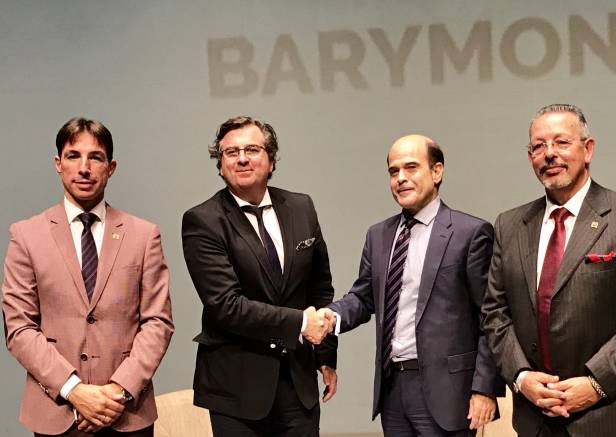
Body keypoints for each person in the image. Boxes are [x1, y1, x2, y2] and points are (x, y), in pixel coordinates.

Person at [482, 104, 616, 437]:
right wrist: (522, 378)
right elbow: (495, 314)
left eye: (561, 142)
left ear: (588, 149)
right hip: (536, 419)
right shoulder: (509, 225)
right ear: (530, 157)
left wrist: (596, 384)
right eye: (538, 146)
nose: (549, 154)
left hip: (613, 416)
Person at [318, 134, 504, 436]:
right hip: (393, 389)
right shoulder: (378, 235)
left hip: (449, 392)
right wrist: (331, 317)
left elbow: (491, 316)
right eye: (393, 171)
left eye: (411, 167)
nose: (400, 178)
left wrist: (485, 388)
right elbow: (363, 298)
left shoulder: (470, 233)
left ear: (437, 171)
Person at [2, 117, 174, 436]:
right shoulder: (26, 236)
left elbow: (158, 322)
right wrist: (74, 390)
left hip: (126, 412)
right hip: (56, 412)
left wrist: (118, 391)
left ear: (111, 167)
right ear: (58, 164)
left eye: (95, 157)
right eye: (73, 156)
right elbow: (20, 327)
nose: (84, 168)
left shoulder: (143, 235)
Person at [181, 116, 337, 437]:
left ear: (271, 160)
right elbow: (225, 305)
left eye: (252, 149)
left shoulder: (301, 207)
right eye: (231, 152)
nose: (242, 158)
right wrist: (300, 323)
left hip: (298, 381)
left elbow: (319, 288)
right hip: (237, 388)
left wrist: (325, 355)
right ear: (220, 166)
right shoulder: (203, 220)